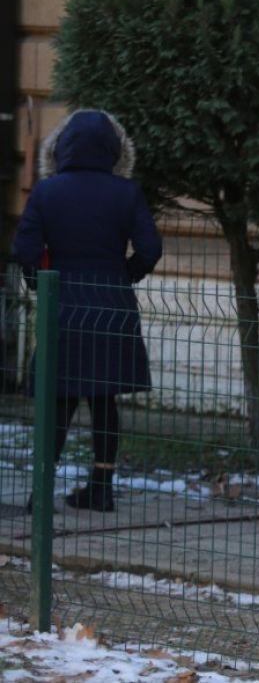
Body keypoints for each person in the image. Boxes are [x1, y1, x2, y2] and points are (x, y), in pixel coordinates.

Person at [13, 110, 162, 512]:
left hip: (63, 304)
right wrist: (122, 276)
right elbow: (150, 248)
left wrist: (40, 285)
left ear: (61, 147)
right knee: (104, 399)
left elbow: (24, 250)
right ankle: (101, 486)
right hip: (112, 306)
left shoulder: (47, 192)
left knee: (58, 399)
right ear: (114, 150)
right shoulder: (126, 192)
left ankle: (41, 492)